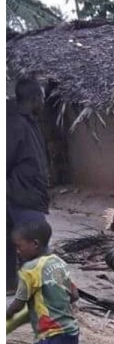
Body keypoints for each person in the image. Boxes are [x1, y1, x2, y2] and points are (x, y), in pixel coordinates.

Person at [7, 78, 51, 294]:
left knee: (11, 241)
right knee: (37, 244)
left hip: (25, 194)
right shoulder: (15, 124)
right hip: (23, 195)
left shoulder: (27, 123)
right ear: (34, 99)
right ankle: (47, 296)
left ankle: (9, 285)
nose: (43, 102)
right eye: (42, 97)